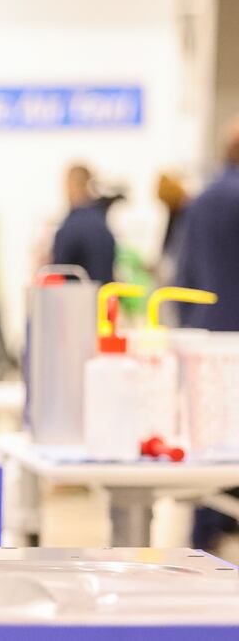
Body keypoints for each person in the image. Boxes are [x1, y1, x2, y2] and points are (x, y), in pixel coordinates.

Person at [176, 120, 239, 553]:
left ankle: (203, 541)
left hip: (209, 344)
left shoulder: (203, 201)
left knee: (211, 443)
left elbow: (184, 274)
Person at [50, 164, 116, 284]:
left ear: (71, 186)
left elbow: (58, 270)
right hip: (103, 298)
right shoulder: (101, 223)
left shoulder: (72, 226)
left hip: (77, 299)